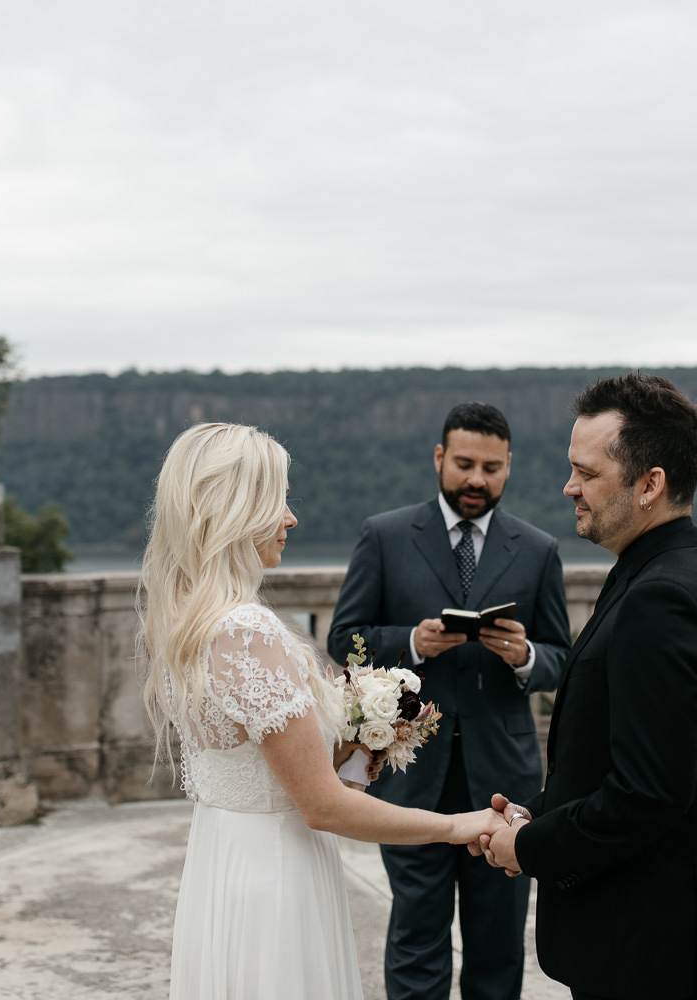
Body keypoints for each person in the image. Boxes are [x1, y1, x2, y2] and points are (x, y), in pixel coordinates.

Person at [142, 422, 502, 1000]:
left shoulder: (192, 621)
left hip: (225, 862)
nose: (291, 519)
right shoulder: (248, 629)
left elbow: (265, 765)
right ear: (239, 511)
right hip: (275, 876)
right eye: (278, 501)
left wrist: (355, 746)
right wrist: (458, 826)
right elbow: (323, 806)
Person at [474, 373, 697, 1000]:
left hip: (651, 951)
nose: (568, 487)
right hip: (642, 942)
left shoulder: (663, 598)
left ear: (650, 484)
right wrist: (531, 812)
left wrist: (531, 847)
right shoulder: (654, 572)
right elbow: (615, 758)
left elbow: (648, 794)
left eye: (587, 473)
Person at [326, 401, 571, 1000]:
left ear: (508, 467)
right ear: (440, 458)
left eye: (491, 467)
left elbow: (562, 659)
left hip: (504, 784)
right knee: (417, 936)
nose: (476, 480)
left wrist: (524, 657)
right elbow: (344, 639)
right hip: (411, 781)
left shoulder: (538, 549)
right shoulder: (384, 535)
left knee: (497, 943)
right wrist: (410, 640)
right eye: (464, 463)